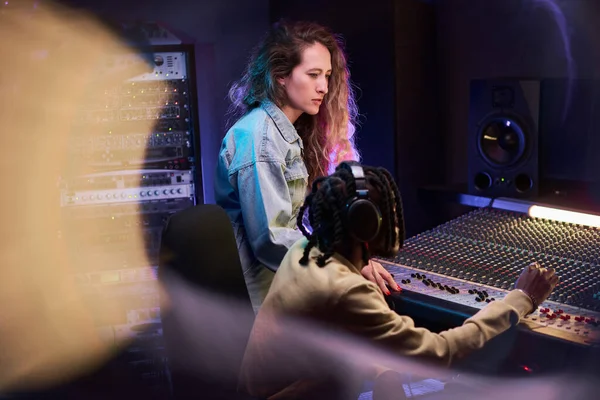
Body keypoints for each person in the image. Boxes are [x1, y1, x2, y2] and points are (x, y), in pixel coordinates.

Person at [239, 161, 559, 400]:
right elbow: (440, 351)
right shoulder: (346, 289)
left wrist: (358, 263)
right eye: (387, 211)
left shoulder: (304, 249)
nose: (393, 218)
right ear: (365, 225)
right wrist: (520, 299)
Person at [214, 20, 399, 311]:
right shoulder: (259, 137)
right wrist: (344, 263)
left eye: (326, 75)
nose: (324, 87)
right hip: (265, 297)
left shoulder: (282, 131)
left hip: (284, 282)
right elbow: (271, 239)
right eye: (313, 75)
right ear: (280, 76)